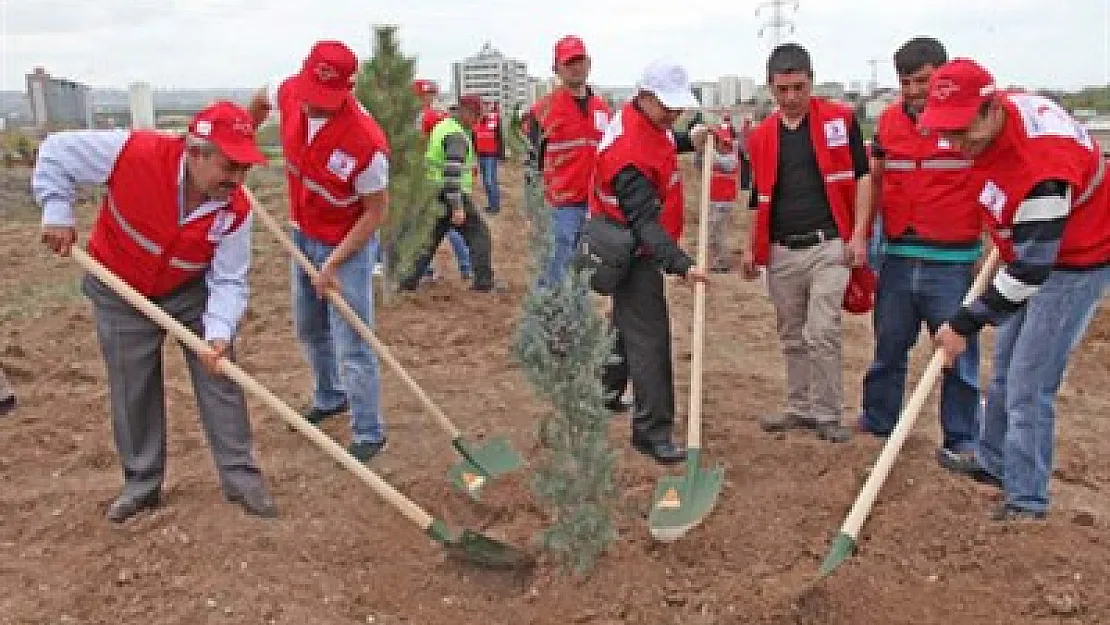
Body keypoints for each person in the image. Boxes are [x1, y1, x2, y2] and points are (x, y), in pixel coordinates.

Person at [32, 101, 276, 522]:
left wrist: (217, 334)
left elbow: (229, 280)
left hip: (189, 292)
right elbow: (55, 152)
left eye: (244, 169)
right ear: (195, 153)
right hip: (117, 287)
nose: (238, 180)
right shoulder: (134, 153)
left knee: (220, 377)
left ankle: (241, 478)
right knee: (132, 388)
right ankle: (142, 485)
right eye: (229, 167)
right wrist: (57, 210)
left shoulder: (234, 211)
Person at [924, 59, 1110, 521]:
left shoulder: (1040, 167)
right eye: (946, 132)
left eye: (962, 131)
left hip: (1076, 260)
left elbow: (1032, 271)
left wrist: (963, 322)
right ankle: (993, 465)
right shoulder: (998, 119)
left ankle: (1027, 501)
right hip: (1029, 250)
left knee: (1030, 383)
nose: (955, 143)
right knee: (1005, 369)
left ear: (990, 110)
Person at [249, 40, 389, 462]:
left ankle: (369, 430)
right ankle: (330, 396)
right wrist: (241, 137)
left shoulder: (366, 144)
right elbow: (258, 100)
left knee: (353, 338)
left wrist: (333, 263)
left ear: (348, 88)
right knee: (309, 325)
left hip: (347, 240)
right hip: (302, 230)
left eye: (326, 101)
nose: (314, 107)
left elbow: (375, 213)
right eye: (311, 96)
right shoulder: (289, 92)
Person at [857, 37, 985, 474]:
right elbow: (874, 180)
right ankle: (878, 423)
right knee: (889, 347)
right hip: (897, 255)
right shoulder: (889, 123)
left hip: (952, 261)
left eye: (924, 80)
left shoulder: (968, 123)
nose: (914, 90)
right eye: (906, 81)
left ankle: (963, 438)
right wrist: (864, 234)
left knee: (957, 354)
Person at [742, 43, 873, 443]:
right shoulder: (762, 137)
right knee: (791, 333)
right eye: (782, 90)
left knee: (823, 329)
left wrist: (859, 233)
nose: (791, 97)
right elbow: (755, 196)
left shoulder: (840, 120)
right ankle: (800, 406)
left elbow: (863, 176)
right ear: (770, 88)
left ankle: (828, 413)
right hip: (782, 251)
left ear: (811, 81)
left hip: (828, 245)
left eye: (798, 87)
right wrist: (751, 248)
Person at [590, 59, 710, 464]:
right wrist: (682, 264)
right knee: (650, 337)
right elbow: (645, 224)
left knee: (626, 325)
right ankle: (651, 431)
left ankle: (605, 393)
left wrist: (690, 139)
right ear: (643, 96)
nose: (674, 112)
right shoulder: (627, 155)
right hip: (630, 246)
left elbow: (661, 142)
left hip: (626, 239)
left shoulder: (640, 122)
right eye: (667, 105)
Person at [529, 35, 613, 292]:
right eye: (569, 62)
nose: (576, 67)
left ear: (589, 63)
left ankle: (577, 316)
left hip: (594, 204)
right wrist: (534, 206)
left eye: (580, 60)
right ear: (556, 68)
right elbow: (531, 161)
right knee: (557, 263)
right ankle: (548, 314)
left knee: (584, 266)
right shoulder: (542, 110)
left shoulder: (603, 109)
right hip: (560, 204)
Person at [399, 94, 498, 292]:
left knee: (429, 240)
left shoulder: (443, 126)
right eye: (477, 115)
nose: (478, 121)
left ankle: (407, 283)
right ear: (466, 112)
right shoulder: (456, 136)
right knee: (479, 235)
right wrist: (458, 207)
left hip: (433, 191)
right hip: (449, 192)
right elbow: (452, 173)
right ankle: (484, 283)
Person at [413, 79, 472, 281]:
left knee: (441, 226)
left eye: (431, 94)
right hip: (427, 178)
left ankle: (465, 266)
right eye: (426, 94)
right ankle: (432, 269)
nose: (429, 98)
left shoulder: (432, 117)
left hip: (433, 179)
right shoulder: (427, 116)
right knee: (435, 227)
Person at [707, 126, 740, 272]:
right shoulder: (720, 156)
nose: (716, 144)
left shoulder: (731, 158)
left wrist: (708, 146)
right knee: (714, 232)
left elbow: (718, 161)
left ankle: (722, 263)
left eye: (718, 142)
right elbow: (700, 162)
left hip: (723, 202)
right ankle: (718, 261)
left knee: (718, 232)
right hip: (715, 200)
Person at [473, 101, 505, 215]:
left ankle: (495, 206)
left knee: (490, 180)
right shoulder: (475, 121)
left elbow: (500, 137)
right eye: (482, 107)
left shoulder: (495, 119)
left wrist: (501, 154)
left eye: (487, 107)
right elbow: (473, 139)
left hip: (491, 155)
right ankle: (491, 204)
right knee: (486, 182)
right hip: (481, 155)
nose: (484, 109)